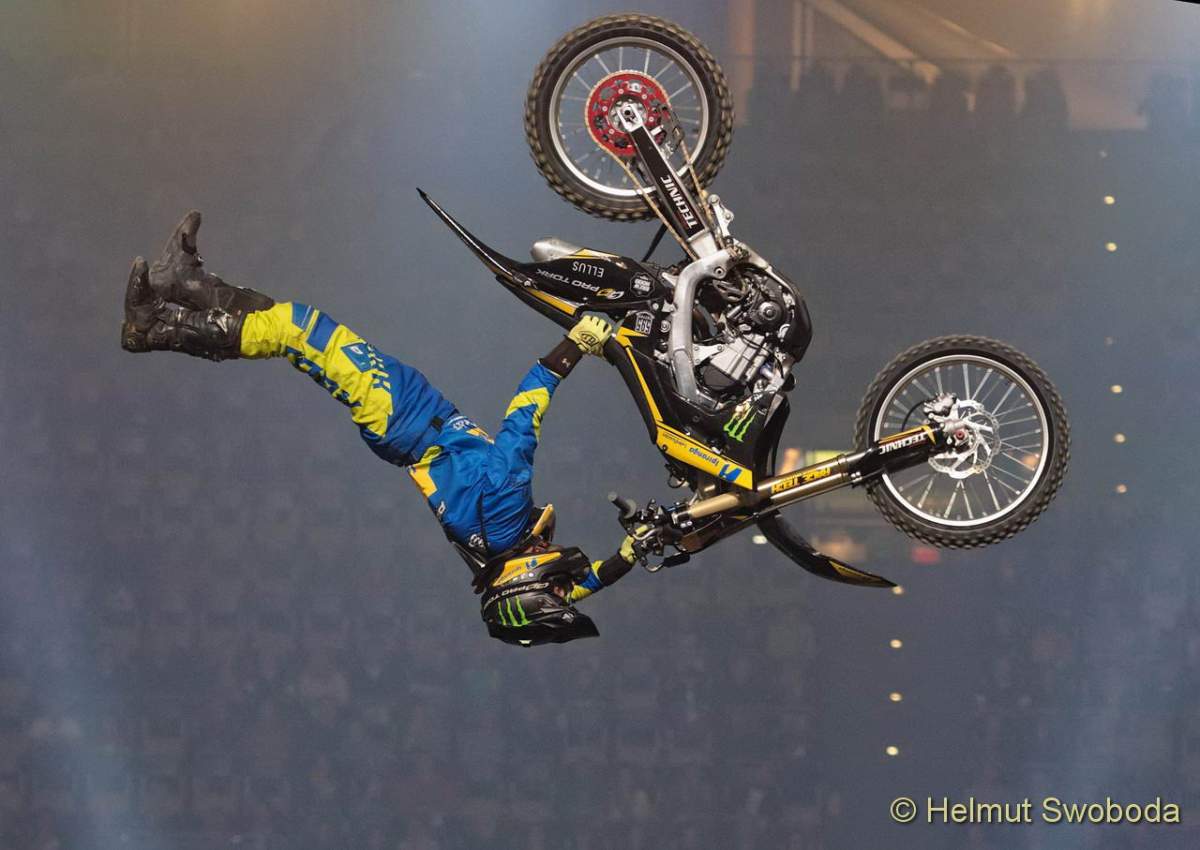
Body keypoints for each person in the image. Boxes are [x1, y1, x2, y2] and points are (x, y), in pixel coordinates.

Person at [120, 212, 641, 646]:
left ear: (526, 584)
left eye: (552, 588)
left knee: (302, 333)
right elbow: (575, 586)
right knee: (297, 327)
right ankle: (186, 284)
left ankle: (159, 326)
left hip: (406, 416)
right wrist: (629, 554)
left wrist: (575, 345)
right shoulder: (496, 556)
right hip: (410, 428)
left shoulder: (508, 520)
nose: (561, 578)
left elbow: (523, 417)